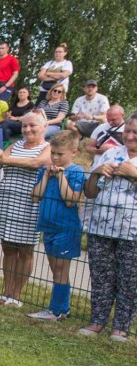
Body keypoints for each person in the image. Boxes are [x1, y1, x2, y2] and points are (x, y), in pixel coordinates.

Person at [79, 112, 137, 342]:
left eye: (136, 133)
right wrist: (95, 173)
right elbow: (90, 192)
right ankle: (97, 321)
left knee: (129, 279)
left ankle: (121, 327)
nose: (130, 136)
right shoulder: (110, 153)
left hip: (132, 232)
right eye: (128, 131)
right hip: (100, 227)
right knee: (101, 276)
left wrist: (133, 174)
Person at [0, 112, 51, 307]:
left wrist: (3, 159)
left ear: (44, 127)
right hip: (6, 202)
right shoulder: (16, 145)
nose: (27, 129)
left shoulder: (47, 147)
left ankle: (17, 294)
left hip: (29, 204)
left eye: (32, 126)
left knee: (25, 250)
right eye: (24, 126)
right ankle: (6, 292)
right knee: (8, 248)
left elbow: (36, 163)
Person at [27, 131, 85, 321]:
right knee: (55, 270)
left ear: (73, 152)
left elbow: (70, 200)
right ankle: (63, 308)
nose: (55, 157)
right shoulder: (46, 170)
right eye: (53, 153)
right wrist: (45, 176)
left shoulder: (76, 171)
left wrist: (61, 177)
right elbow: (35, 197)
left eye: (60, 154)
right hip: (48, 226)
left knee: (61, 270)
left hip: (66, 228)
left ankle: (56, 310)